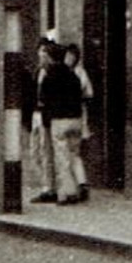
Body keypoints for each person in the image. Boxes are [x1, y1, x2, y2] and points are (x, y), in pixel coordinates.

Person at [35, 42, 85, 204]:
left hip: (59, 121)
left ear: (49, 58)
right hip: (76, 120)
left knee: (62, 158)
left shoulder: (50, 77)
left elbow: (43, 101)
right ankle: (77, 187)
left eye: (44, 56)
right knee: (73, 155)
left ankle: (67, 193)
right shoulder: (73, 75)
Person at [64, 43, 94, 202]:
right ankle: (79, 184)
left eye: (72, 56)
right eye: (68, 55)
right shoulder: (71, 72)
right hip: (74, 115)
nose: (69, 58)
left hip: (74, 116)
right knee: (72, 152)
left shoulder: (79, 72)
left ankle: (78, 186)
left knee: (72, 152)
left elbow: (89, 93)